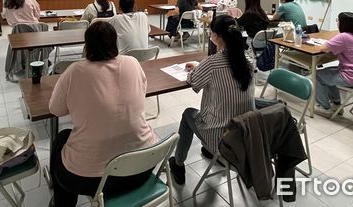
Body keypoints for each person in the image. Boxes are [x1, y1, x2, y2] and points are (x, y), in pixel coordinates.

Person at [48, 21, 158, 206]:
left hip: (92, 179)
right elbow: (141, 92)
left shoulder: (75, 70)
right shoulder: (132, 62)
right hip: (144, 166)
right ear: (115, 43)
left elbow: (55, 110)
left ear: (87, 45)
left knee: (62, 138)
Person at [168, 15, 255, 184]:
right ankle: (208, 150)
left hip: (220, 137)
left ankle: (178, 164)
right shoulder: (248, 61)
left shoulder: (212, 63)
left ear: (216, 36)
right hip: (245, 135)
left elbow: (193, 81)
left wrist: (198, 68)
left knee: (187, 115)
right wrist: (202, 66)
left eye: (211, 32)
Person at [314, 12, 353, 117]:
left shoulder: (344, 36)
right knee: (328, 73)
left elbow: (323, 48)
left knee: (317, 75)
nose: (337, 22)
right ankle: (336, 104)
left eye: (338, 20)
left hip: (351, 77)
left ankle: (324, 107)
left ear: (343, 23)